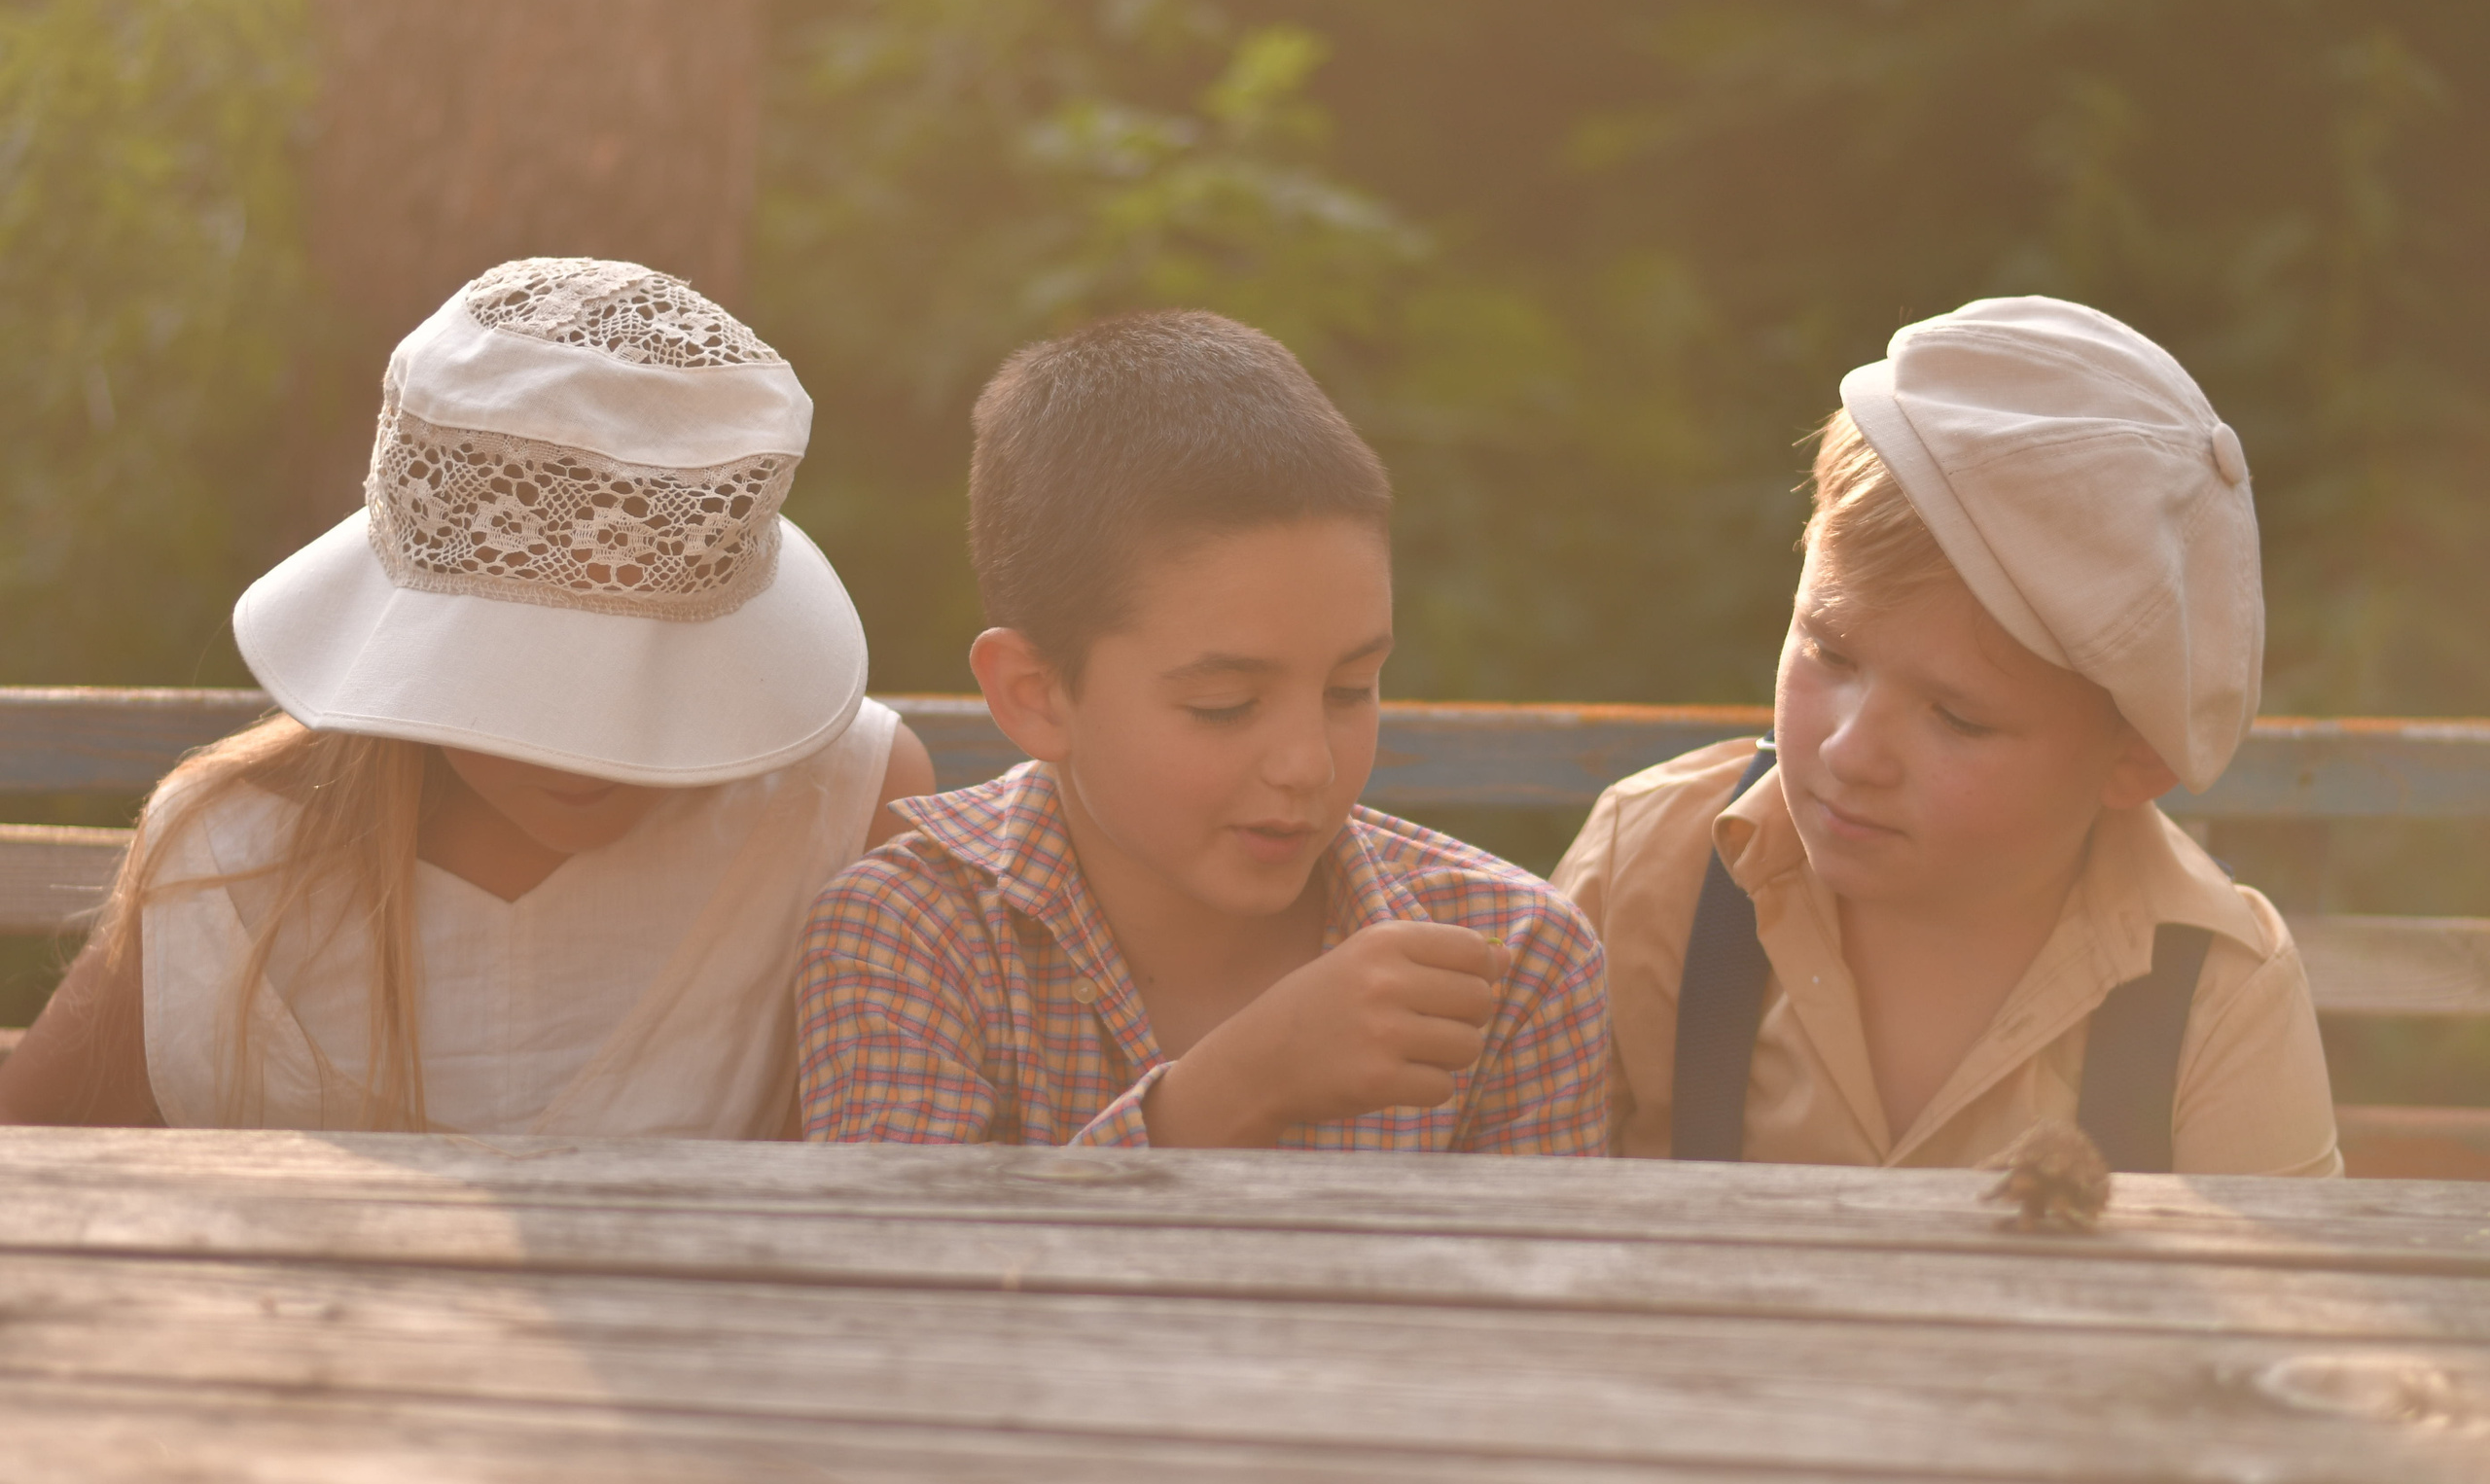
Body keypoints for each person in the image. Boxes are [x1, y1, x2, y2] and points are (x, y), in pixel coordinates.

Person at [0, 257, 933, 1137]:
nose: (585, 738)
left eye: (651, 666)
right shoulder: (229, 864)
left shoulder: (838, 806)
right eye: (527, 672)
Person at [1553, 296, 2340, 1176]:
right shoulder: (1647, 869)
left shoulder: (2215, 996)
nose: (1851, 752)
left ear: (2138, 755)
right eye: (1828, 648)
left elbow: (2267, 1304)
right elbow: (1502, 1228)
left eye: (1959, 718)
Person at [796, 309, 1608, 1150]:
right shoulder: (912, 934)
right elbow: (907, 1270)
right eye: (1225, 704)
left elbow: (1536, 1281)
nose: (1308, 764)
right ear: (1037, 694)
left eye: (1350, 688)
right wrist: (1230, 1093)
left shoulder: (1511, 961)